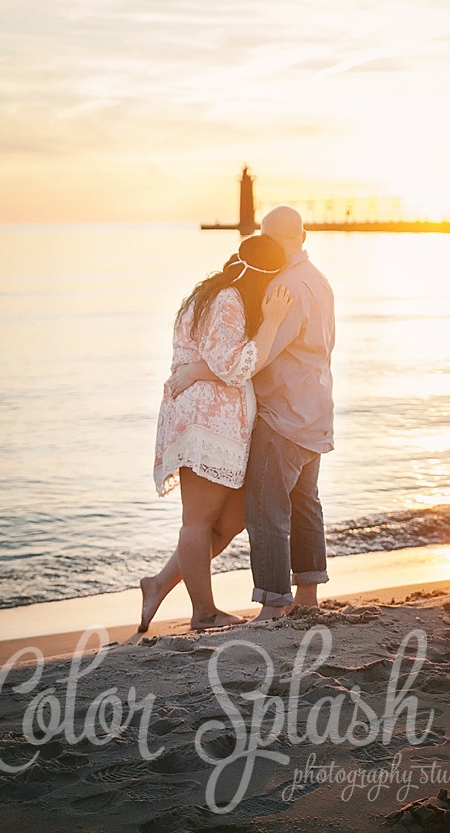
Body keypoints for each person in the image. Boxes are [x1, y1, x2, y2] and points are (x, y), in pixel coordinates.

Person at [138, 233, 292, 631]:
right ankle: (203, 612)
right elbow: (236, 366)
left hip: (220, 423)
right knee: (198, 520)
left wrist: (196, 370)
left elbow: (214, 362)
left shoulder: (216, 295)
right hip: (205, 422)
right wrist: (273, 320)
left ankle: (157, 584)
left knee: (230, 519)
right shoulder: (226, 300)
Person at [242, 206, 337, 620]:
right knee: (305, 503)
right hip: (316, 409)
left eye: (268, 237)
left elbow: (262, 356)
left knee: (266, 508)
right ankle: (308, 596)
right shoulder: (319, 280)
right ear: (303, 234)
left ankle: (274, 604)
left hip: (284, 413)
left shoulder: (285, 286)